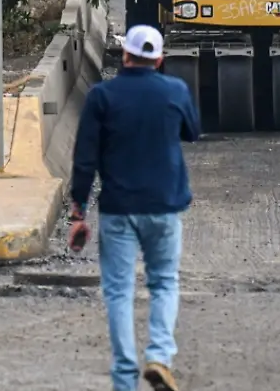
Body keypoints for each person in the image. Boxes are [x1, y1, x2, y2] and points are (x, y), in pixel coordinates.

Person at [69, 25, 201, 391]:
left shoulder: (102, 96)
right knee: (163, 283)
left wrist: (78, 213)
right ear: (159, 60)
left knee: (118, 290)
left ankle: (125, 378)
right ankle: (159, 356)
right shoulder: (175, 90)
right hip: (164, 205)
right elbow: (193, 131)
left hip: (118, 209)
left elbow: (84, 160)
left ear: (124, 55)